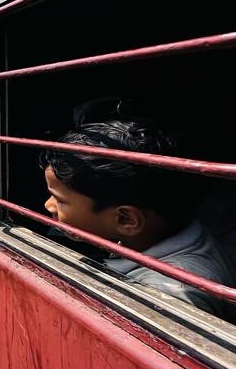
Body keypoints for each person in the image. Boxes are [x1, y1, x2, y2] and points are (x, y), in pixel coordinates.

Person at [40, 118, 236, 318]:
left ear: (126, 220)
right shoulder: (178, 233)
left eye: (60, 200)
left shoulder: (164, 294)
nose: (48, 205)